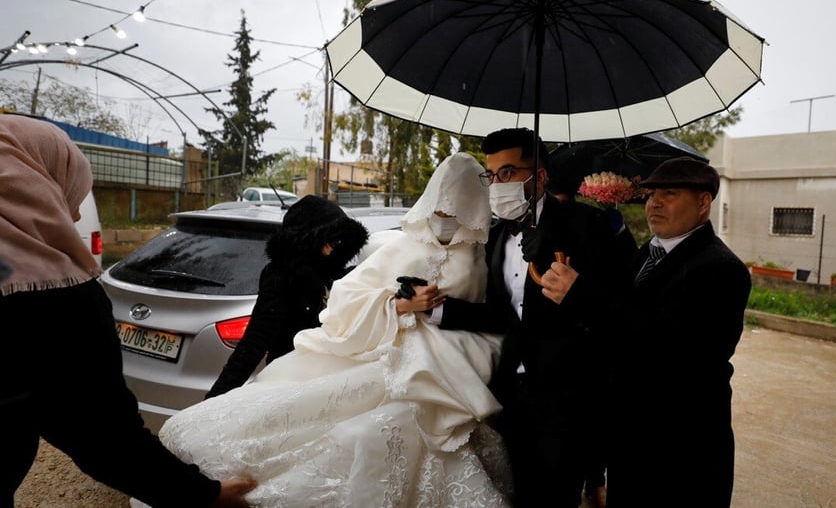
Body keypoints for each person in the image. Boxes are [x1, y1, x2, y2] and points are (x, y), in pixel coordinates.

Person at [158, 152, 514, 506]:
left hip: (445, 367)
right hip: (376, 354)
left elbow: (489, 313)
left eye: (454, 211)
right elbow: (344, 301)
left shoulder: (482, 256)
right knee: (307, 423)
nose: (445, 219)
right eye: (439, 209)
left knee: (381, 437)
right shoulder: (400, 247)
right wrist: (399, 304)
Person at [0, 113, 256, 507]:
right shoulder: (53, 297)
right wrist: (205, 495)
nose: (74, 214)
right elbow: (101, 436)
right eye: (70, 192)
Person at [428, 128, 631, 507]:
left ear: (538, 175)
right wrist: (435, 307)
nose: (496, 184)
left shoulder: (589, 225)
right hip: (510, 395)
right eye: (491, 175)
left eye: (507, 173)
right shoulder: (494, 235)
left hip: (567, 400)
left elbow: (623, 311)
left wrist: (577, 291)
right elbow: (499, 314)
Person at [606, 157, 751, 507]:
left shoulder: (720, 269)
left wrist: (582, 296)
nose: (653, 202)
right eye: (651, 193)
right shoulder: (649, 252)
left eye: (669, 193)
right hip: (633, 435)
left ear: (704, 202)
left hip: (683, 444)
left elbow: (671, 348)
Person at [206, 195, 369, 398]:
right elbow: (254, 342)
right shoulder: (281, 277)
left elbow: (377, 287)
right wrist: (216, 398)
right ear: (306, 237)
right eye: (325, 240)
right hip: (286, 383)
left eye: (336, 241)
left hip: (328, 384)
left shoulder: (337, 275)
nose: (329, 249)